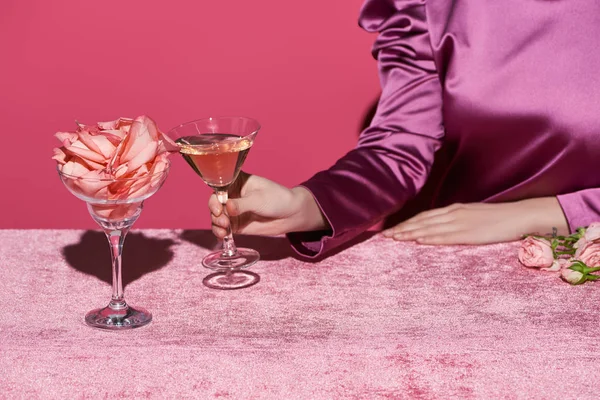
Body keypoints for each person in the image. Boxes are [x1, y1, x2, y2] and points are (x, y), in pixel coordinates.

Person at [209, 0, 600, 258]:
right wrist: (307, 205)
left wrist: (553, 213)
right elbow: (399, 147)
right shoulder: (431, 5)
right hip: (460, 264)